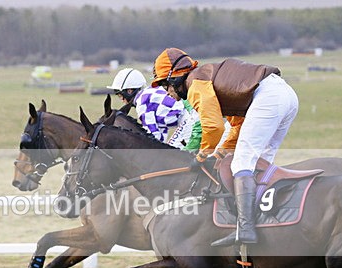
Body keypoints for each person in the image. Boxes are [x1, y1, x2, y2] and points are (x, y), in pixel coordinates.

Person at [151, 48, 299, 246]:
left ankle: (246, 228)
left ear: (175, 77)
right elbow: (236, 126)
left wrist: (202, 155)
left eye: (164, 85)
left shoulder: (195, 84)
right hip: (285, 95)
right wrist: (219, 153)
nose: (166, 92)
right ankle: (265, 219)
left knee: (242, 163)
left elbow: (213, 127)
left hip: (269, 97)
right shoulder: (210, 81)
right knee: (260, 162)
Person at [107, 67, 200, 150]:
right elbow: (161, 136)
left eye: (120, 95)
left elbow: (154, 137)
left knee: (175, 157)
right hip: (191, 114)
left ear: (129, 91)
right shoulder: (149, 91)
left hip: (188, 119)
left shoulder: (142, 103)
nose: (122, 100)